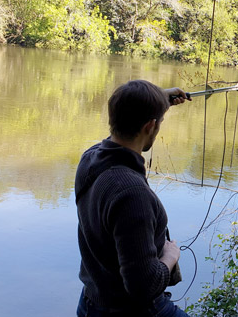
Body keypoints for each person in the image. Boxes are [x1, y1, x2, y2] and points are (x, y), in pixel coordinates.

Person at [75, 80, 191, 317]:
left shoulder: (89, 159)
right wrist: (170, 256)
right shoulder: (132, 194)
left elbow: (125, 116)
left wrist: (158, 101)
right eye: (158, 124)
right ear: (150, 126)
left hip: (90, 303)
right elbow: (143, 287)